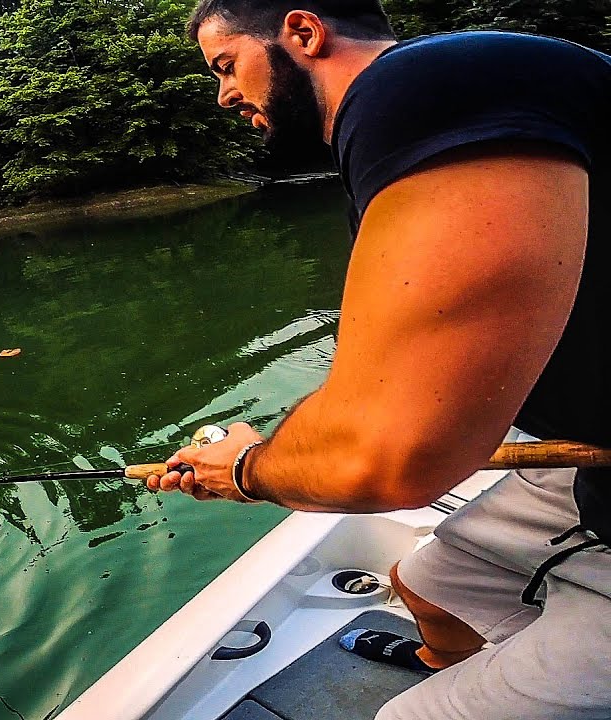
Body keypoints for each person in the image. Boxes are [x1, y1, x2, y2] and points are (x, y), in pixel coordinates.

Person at [143, 2, 610, 718]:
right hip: (595, 458)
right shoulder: (453, 87)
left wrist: (248, 469)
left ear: (302, 32)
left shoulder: (418, 91)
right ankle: (465, 662)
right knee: (422, 583)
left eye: (226, 65)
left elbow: (391, 459)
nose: (223, 95)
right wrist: (267, 457)